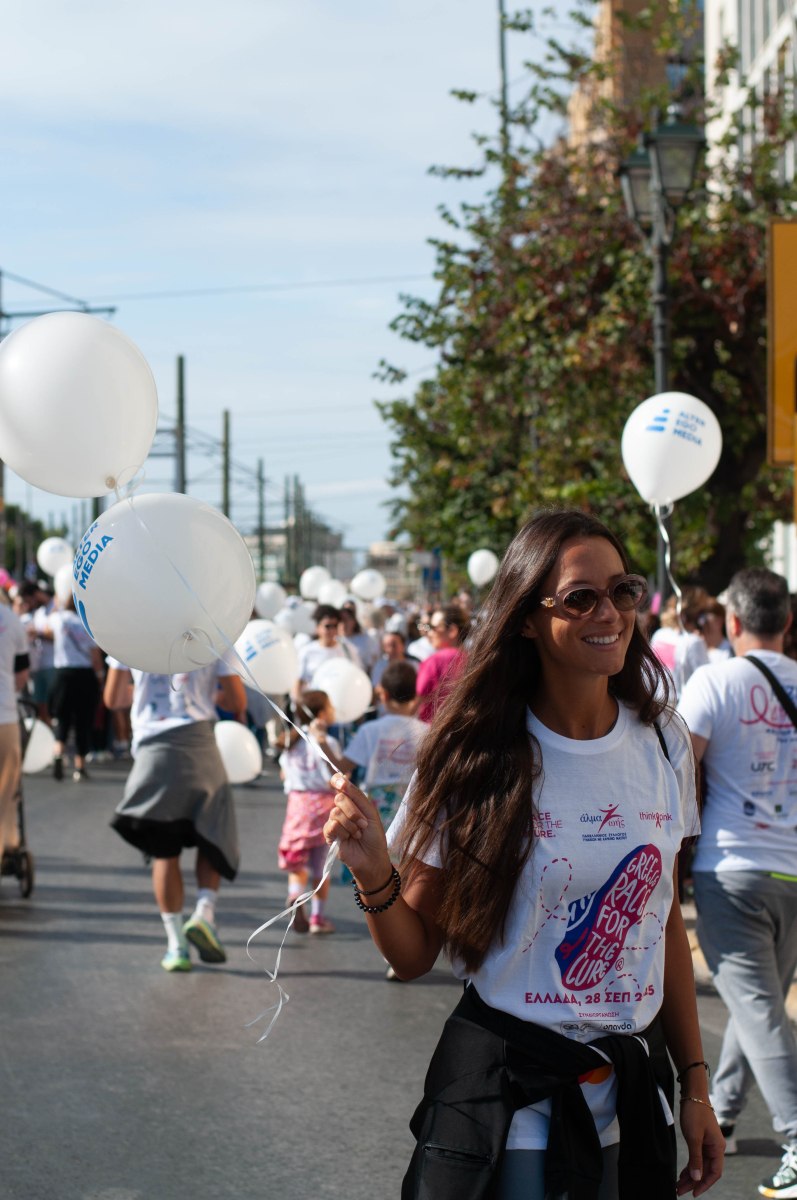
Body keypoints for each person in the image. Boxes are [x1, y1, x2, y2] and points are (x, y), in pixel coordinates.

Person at [324, 509, 723, 1200]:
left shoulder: (662, 741)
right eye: (579, 598)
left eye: (622, 590)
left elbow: (659, 926)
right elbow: (411, 954)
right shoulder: (469, 761)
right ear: (527, 618)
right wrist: (373, 872)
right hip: (511, 1117)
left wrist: (694, 1086)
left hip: (629, 1106)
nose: (610, 612)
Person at [678, 568, 797, 1198]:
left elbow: (678, 767)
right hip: (793, 874)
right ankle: (722, 1106)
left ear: (732, 622)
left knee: (756, 1008)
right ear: (788, 621)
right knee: (763, 1007)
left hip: (732, 870)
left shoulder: (714, 681)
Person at [104, 659, 247, 972]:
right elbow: (238, 701)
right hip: (199, 743)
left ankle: (175, 945)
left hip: (152, 750)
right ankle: (204, 914)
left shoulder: (126, 628)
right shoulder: (214, 625)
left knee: (163, 850)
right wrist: (208, 694)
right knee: (213, 831)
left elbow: (113, 699)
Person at [277, 688, 345, 934]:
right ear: (321, 713)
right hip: (324, 806)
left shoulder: (291, 742)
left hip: (298, 805)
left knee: (297, 861)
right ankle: (317, 917)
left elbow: (284, 774)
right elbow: (336, 774)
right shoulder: (328, 742)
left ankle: (295, 894)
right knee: (321, 864)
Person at [339, 661, 425, 831]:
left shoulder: (370, 730)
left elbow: (342, 766)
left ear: (383, 695)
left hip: (376, 810)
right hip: (415, 808)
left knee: (376, 853)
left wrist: (321, 741)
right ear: (416, 695)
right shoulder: (428, 732)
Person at [44, 594, 104, 782]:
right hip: (84, 676)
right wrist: (100, 679)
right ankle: (80, 767)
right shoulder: (87, 624)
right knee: (82, 721)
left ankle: (58, 752)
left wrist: (55, 606)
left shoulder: (57, 619)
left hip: (62, 674)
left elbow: (45, 631)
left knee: (62, 718)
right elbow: (95, 656)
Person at [0, 604, 29, 867]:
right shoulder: (11, 619)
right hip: (4, 713)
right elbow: (22, 674)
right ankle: (7, 842)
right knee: (6, 789)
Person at [414, 602, 469, 722]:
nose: (429, 633)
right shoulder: (475, 659)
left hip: (434, 730)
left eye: (433, 628)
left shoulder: (435, 660)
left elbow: (417, 699)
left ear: (452, 631)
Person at [293, 604, 362, 699]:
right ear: (318, 627)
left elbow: (357, 676)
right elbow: (298, 682)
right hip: (315, 706)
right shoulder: (307, 651)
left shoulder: (348, 650)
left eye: (335, 625)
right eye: (327, 626)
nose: (332, 630)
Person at [650, 591, 710, 698]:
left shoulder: (659, 635)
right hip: (679, 706)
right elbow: (706, 683)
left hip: (654, 700)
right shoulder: (694, 642)